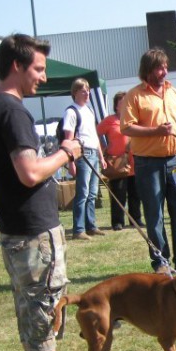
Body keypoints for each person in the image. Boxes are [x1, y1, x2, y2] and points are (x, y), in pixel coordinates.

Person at [0, 34, 101, 351]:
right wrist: (66, 152)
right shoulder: (12, 111)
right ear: (17, 66)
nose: (43, 78)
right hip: (31, 233)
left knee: (43, 311)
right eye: (38, 69)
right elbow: (29, 172)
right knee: (41, 314)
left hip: (24, 230)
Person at [120, 48, 176, 274]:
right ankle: (161, 262)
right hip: (148, 164)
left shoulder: (174, 93)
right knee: (154, 214)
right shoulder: (134, 96)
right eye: (160, 67)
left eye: (165, 67)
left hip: (175, 161)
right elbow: (127, 127)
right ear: (148, 70)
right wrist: (156, 131)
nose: (165, 71)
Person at [64, 77, 106, 240]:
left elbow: (94, 136)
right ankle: (78, 229)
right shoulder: (71, 111)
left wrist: (101, 156)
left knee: (93, 192)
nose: (87, 93)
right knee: (83, 192)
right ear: (75, 93)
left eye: (88, 90)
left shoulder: (89, 110)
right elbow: (69, 139)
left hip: (93, 153)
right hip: (82, 154)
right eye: (83, 90)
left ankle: (91, 225)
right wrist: (71, 162)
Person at [97, 91, 144, 231]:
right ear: (116, 106)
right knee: (119, 193)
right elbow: (97, 132)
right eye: (121, 102)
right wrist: (104, 147)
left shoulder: (134, 119)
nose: (124, 104)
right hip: (118, 163)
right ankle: (117, 221)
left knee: (135, 193)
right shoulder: (110, 120)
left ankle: (136, 219)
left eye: (126, 102)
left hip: (134, 162)